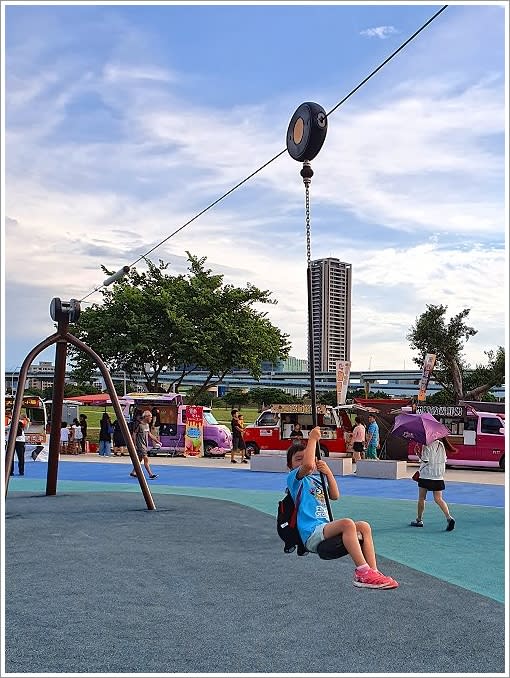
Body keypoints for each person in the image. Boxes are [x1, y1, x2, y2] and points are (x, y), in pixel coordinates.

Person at [286, 426, 399, 589]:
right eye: (298, 459)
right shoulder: (294, 480)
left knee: (364, 527)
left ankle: (373, 571)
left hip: (323, 529)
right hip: (311, 533)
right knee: (347, 523)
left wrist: (328, 473)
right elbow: (308, 466)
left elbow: (334, 495)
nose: (302, 461)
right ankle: (362, 572)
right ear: (289, 465)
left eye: (305, 457)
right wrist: (312, 439)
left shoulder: (316, 481)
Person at [410, 436, 457, 531]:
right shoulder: (441, 445)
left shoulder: (426, 445)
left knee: (422, 498)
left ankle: (419, 520)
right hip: (438, 476)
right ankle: (449, 517)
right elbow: (444, 460)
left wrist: (418, 453)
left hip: (426, 475)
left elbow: (425, 460)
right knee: (439, 499)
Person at [129, 410, 160, 479]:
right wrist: (134, 445)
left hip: (144, 445)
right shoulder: (139, 425)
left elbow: (149, 434)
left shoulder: (147, 425)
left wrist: (157, 441)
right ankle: (150, 474)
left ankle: (133, 472)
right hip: (140, 445)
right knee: (146, 458)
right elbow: (134, 435)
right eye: (150, 417)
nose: (151, 419)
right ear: (146, 417)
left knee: (139, 459)